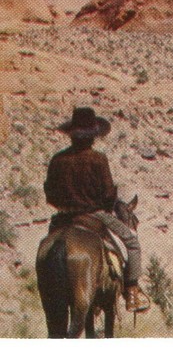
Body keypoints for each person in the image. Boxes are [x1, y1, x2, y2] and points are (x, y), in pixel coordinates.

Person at [43, 107, 150, 312]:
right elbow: (108, 194)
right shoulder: (98, 159)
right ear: (93, 136)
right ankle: (132, 292)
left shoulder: (57, 159)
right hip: (94, 214)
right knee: (132, 242)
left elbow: (50, 194)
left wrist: (65, 206)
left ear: (71, 134)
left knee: (48, 246)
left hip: (63, 218)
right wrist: (106, 204)